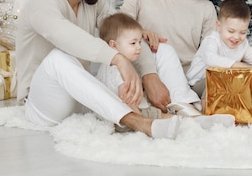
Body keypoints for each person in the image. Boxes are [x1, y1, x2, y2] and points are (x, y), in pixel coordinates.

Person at [16, 0, 179, 140]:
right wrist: (118, 59)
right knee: (59, 58)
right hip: (40, 106)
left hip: (80, 102)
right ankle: (138, 122)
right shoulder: (42, 2)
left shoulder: (93, 1)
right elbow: (66, 36)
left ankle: (182, 112)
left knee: (145, 45)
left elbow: (122, 32)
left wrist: (149, 74)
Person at [97, 11, 235, 129]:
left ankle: (193, 121)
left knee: (156, 113)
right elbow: (127, 101)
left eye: (140, 42)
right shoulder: (117, 69)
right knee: (155, 115)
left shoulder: (121, 63)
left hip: (131, 111)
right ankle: (193, 123)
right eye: (133, 43)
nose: (139, 47)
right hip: (125, 117)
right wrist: (140, 122)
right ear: (113, 45)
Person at [186, 0, 252, 97]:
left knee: (242, 84)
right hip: (197, 84)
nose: (236, 37)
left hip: (224, 82)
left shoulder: (243, 45)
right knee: (216, 81)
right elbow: (211, 59)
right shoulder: (212, 40)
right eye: (231, 31)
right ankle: (206, 110)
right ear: (219, 26)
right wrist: (239, 66)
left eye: (243, 32)